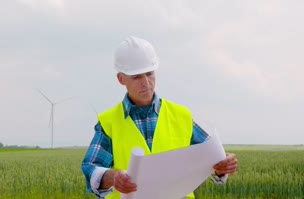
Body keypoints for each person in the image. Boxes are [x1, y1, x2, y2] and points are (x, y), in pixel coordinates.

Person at [80, 36, 238, 199]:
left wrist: (222, 165)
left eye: (149, 73)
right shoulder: (109, 122)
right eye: (136, 77)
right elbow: (91, 167)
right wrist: (113, 177)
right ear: (121, 79)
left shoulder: (181, 116)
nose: (146, 82)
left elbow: (211, 157)